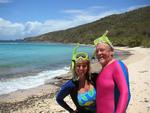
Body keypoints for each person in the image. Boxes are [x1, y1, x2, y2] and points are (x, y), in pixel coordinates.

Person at [94, 31, 131, 113]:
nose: (99, 53)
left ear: (111, 51)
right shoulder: (103, 69)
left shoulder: (117, 65)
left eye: (102, 50)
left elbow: (125, 93)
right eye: (97, 51)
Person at [56, 45, 97, 113]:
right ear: (74, 67)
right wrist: (71, 110)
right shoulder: (70, 85)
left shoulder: (94, 78)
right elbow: (59, 99)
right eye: (78, 66)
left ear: (88, 67)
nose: (81, 68)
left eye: (84, 66)